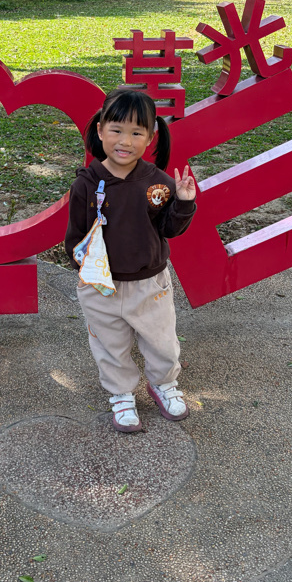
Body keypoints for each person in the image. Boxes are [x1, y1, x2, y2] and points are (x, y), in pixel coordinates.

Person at [65, 89, 197, 433]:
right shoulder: (86, 184)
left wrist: (183, 202)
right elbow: (75, 234)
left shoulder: (158, 183)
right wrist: (84, 269)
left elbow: (169, 229)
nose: (125, 141)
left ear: (151, 137)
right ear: (100, 130)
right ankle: (121, 394)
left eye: (137, 132)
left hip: (150, 284)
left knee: (162, 341)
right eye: (116, 130)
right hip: (101, 287)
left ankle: (163, 384)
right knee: (110, 346)